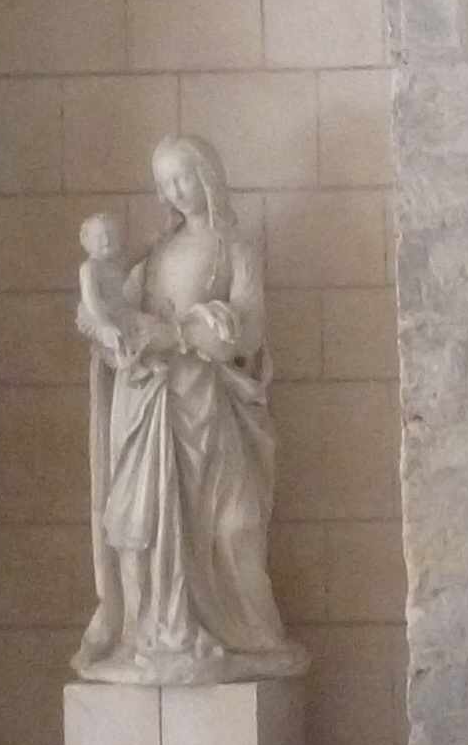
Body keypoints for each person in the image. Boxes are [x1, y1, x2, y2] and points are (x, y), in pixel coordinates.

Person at [74, 132, 300, 684]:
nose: (177, 191)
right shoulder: (154, 258)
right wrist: (109, 327)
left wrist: (184, 330)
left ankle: (254, 638)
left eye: (184, 176)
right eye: (166, 182)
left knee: (234, 527)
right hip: (152, 407)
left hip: (211, 410)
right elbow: (106, 313)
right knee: (147, 528)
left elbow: (245, 331)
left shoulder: (235, 251)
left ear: (208, 175)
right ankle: (155, 633)